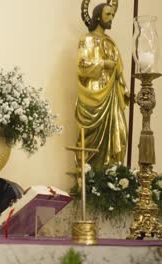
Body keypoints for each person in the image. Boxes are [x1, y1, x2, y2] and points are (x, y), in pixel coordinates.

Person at [75, 2, 130, 169]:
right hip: (94, 94)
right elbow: (82, 66)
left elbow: (118, 71)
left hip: (112, 95)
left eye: (112, 15)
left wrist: (125, 89)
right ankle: (89, 178)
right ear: (98, 16)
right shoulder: (87, 39)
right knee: (91, 138)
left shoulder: (111, 42)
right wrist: (103, 63)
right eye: (108, 14)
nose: (111, 18)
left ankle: (112, 176)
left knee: (119, 133)